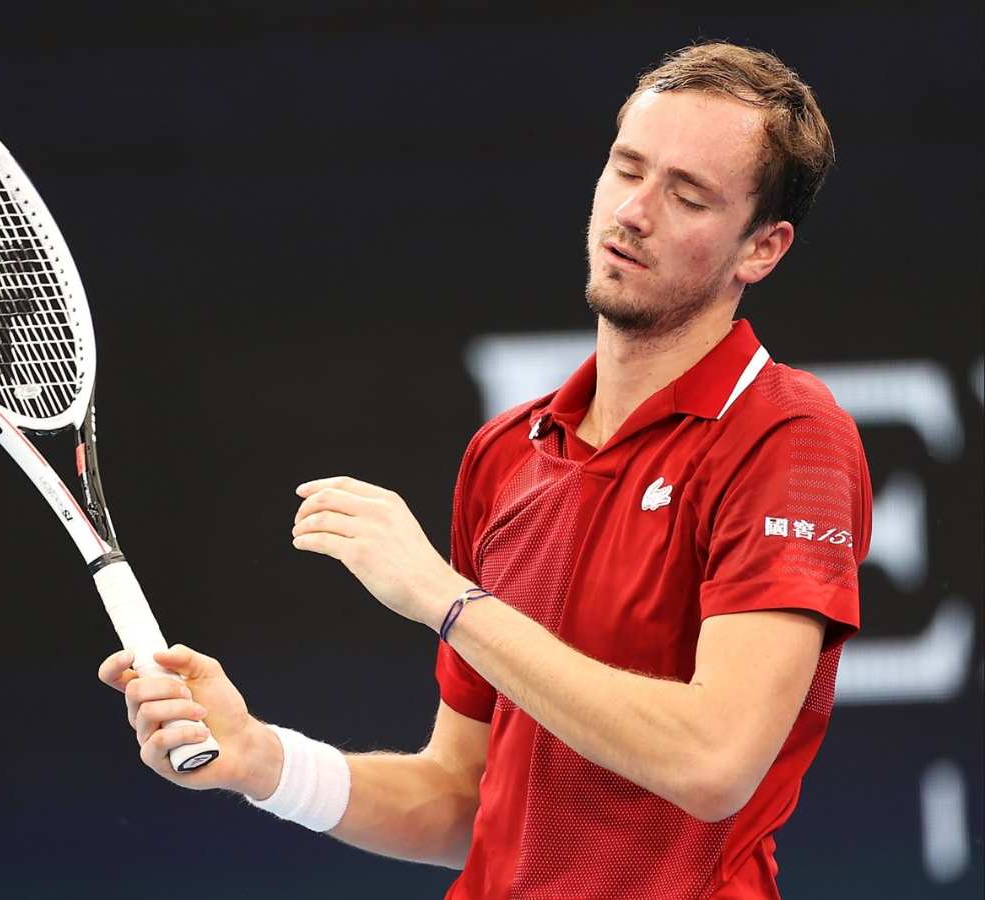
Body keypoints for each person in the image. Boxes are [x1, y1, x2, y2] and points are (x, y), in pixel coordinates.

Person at [98, 41, 872, 899]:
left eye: (687, 195)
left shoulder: (788, 434)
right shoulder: (506, 452)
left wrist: (446, 598)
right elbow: (467, 801)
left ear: (760, 250)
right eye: (626, 170)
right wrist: (263, 761)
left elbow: (713, 761)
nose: (635, 212)